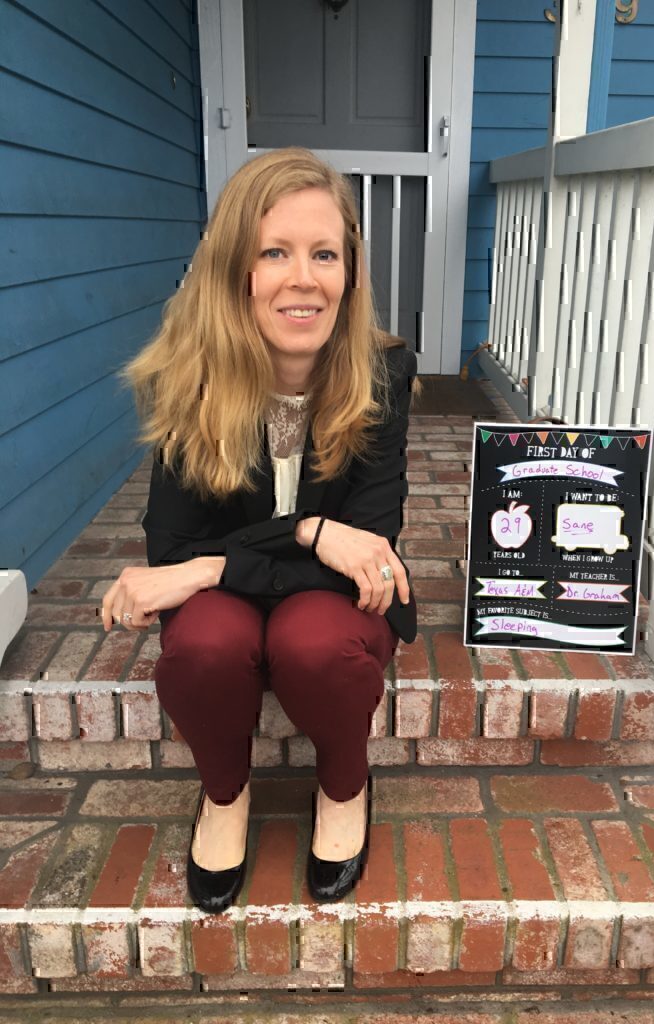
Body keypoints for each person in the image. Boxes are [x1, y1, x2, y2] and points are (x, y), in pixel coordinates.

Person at [100, 147, 420, 915]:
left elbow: (366, 551)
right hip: (249, 595)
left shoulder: (381, 375)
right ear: (238, 270)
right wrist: (307, 536)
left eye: (323, 254)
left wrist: (241, 557)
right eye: (274, 252)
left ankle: (344, 784)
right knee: (206, 645)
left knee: (314, 643)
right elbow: (171, 548)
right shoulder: (189, 376)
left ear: (349, 271)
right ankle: (225, 792)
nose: (302, 278)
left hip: (329, 601)